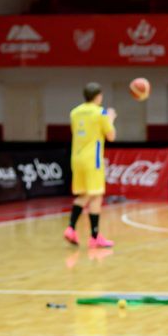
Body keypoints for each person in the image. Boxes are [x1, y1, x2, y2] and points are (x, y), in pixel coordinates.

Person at [65, 82, 117, 248]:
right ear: (98, 96)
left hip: (76, 158)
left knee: (86, 195)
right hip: (92, 159)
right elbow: (111, 136)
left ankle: (74, 230)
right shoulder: (101, 112)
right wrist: (110, 118)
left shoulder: (74, 112)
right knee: (95, 196)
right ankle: (90, 235)